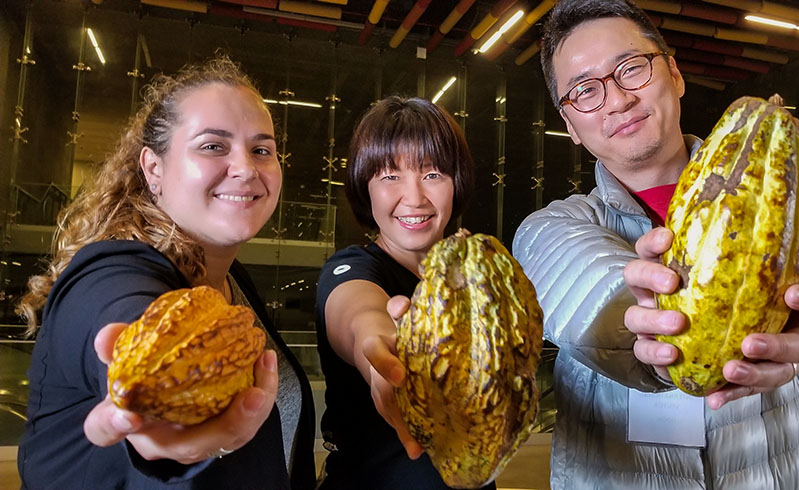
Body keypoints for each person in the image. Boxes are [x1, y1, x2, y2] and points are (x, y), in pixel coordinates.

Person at [511, 1, 799, 488]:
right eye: (585, 90)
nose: (617, 100)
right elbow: (582, 290)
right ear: (570, 125)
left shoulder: (788, 189)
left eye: (631, 68)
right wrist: (653, 331)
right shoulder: (552, 226)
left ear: (675, 74)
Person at [16, 56, 316, 489]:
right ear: (153, 168)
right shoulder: (109, 268)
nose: (247, 168)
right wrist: (158, 403)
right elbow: (128, 319)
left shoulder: (234, 281)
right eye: (213, 146)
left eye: (262, 150)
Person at [313, 96, 492, 489]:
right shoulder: (354, 268)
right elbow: (361, 316)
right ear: (366, 188)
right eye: (390, 176)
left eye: (433, 174)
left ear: (456, 183)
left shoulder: (471, 282)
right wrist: (382, 357)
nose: (414, 198)